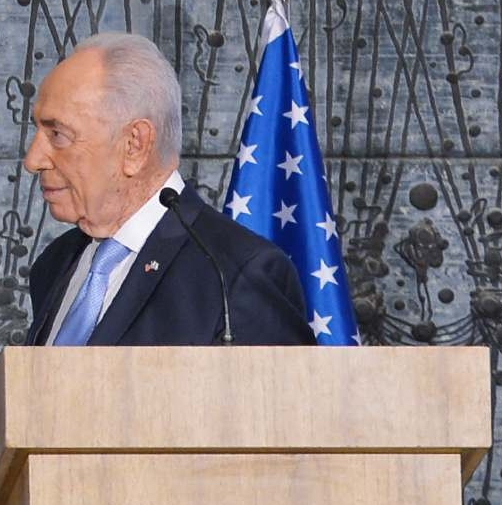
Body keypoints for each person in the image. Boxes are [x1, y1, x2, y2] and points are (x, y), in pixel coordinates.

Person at [23, 30, 312, 346]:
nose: (33, 160)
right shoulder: (55, 263)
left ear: (135, 145)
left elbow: (283, 394)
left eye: (57, 135)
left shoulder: (233, 275)